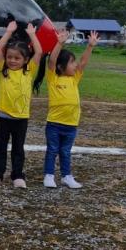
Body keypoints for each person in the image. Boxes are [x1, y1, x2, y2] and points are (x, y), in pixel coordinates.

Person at [0, 21, 43, 189]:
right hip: (4, 115)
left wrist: (32, 34)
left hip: (21, 117)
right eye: (10, 57)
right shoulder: (3, 69)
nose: (12, 60)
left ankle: (18, 175)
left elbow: (39, 52)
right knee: (0, 147)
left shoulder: (28, 70)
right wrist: (8, 32)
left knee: (18, 148)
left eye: (17, 58)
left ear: (25, 59)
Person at [43, 29, 98, 189]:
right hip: (54, 123)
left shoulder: (74, 79)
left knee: (65, 151)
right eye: (71, 62)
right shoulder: (53, 78)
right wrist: (59, 43)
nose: (75, 65)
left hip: (71, 124)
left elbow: (83, 63)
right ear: (61, 67)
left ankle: (67, 176)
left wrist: (90, 46)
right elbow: (52, 61)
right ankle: (49, 175)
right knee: (52, 150)